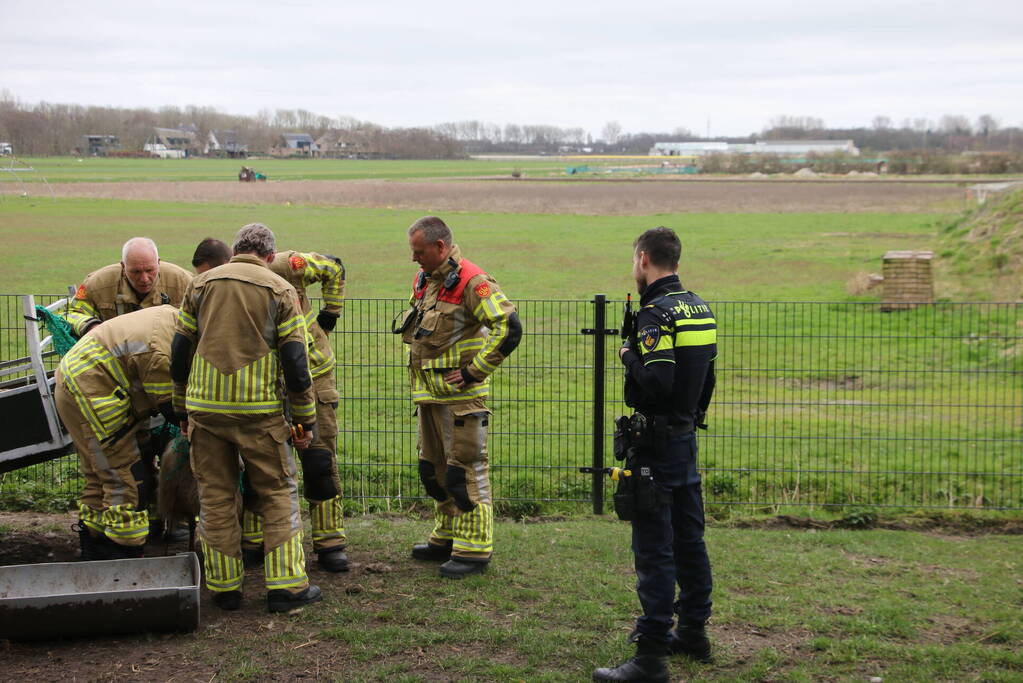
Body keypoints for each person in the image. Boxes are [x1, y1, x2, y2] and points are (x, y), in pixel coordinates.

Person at [171, 223, 321, 613]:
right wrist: (305, 422)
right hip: (260, 414)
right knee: (276, 493)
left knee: (216, 497)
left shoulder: (201, 284)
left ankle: (224, 589)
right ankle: (286, 588)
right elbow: (295, 362)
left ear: (236, 249)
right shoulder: (280, 289)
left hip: (205, 411)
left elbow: (180, 349)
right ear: (270, 256)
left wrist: (181, 409)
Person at [593, 227, 717, 682]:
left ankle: (649, 657)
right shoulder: (699, 307)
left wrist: (627, 355)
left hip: (655, 448)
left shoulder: (655, 314)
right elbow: (707, 378)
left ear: (643, 259)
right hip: (684, 439)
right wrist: (689, 418)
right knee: (690, 540)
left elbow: (658, 380)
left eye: (634, 261)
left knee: (653, 548)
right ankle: (693, 632)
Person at [397, 216, 522, 578]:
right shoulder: (425, 280)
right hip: (430, 397)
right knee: (434, 471)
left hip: (462, 399)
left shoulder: (473, 281)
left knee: (464, 470)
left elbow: (509, 327)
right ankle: (448, 536)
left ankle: (474, 549)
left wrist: (474, 371)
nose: (414, 259)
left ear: (440, 246)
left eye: (419, 252)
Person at [241, 247, 349, 573]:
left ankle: (330, 542)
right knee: (259, 465)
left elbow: (335, 266)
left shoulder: (290, 265)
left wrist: (330, 314)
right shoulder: (232, 283)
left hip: (313, 377)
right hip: (266, 385)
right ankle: (254, 541)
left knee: (318, 460)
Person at [54, 305, 179, 560]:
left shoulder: (170, 318)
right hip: (92, 393)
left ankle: (94, 544)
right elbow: (171, 406)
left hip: (77, 384)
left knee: (99, 474)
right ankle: (124, 553)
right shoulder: (161, 348)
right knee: (126, 476)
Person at [67, 237, 193, 337]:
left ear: (158, 263)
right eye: (136, 272)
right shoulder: (97, 283)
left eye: (150, 270)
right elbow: (71, 313)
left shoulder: (184, 282)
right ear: (123, 266)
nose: (144, 279)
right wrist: (90, 326)